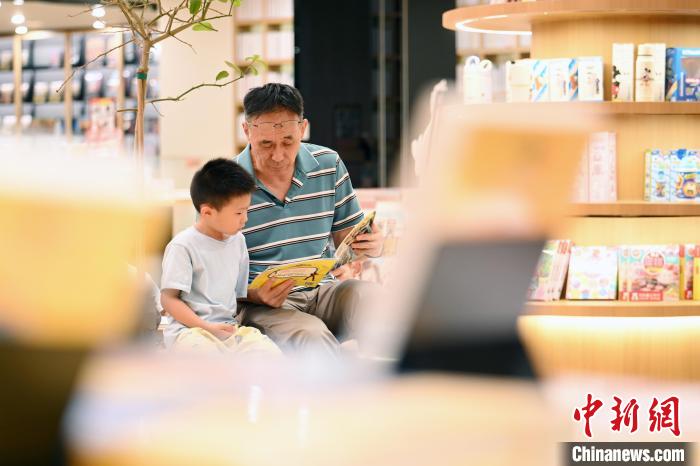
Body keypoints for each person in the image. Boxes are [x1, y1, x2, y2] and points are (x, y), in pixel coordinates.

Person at [234, 83, 384, 356]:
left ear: (302, 129)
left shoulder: (328, 163)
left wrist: (371, 244)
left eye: (288, 142)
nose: (278, 155)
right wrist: (253, 295)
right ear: (246, 131)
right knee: (311, 335)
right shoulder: (227, 183)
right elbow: (209, 276)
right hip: (263, 306)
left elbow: (347, 240)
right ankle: (339, 398)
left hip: (322, 291)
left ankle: (399, 392)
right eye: (266, 144)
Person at [160, 158, 280, 354]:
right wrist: (206, 327)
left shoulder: (238, 241)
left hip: (228, 329)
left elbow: (236, 295)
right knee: (209, 360)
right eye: (238, 213)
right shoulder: (183, 245)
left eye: (247, 210)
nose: (246, 219)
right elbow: (168, 300)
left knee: (269, 353)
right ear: (207, 212)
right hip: (189, 331)